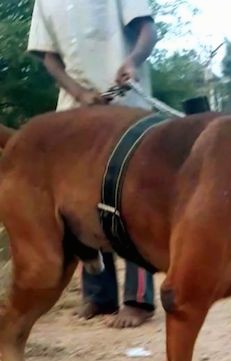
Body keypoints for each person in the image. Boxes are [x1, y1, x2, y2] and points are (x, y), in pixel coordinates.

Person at [27, 0, 158, 328]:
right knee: (83, 201)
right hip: (76, 108)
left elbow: (147, 31)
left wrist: (132, 60)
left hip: (127, 101)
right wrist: (79, 92)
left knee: (134, 202)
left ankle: (138, 300)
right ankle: (98, 297)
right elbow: (49, 56)